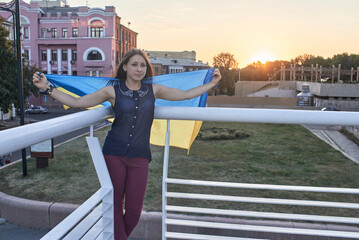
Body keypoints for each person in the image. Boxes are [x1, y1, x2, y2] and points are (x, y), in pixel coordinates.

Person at [32, 48, 221, 240]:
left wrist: (211, 83)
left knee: (133, 212)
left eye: (142, 65)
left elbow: (187, 94)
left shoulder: (154, 90)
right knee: (114, 205)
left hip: (140, 157)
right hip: (113, 154)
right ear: (124, 67)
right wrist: (47, 87)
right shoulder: (111, 91)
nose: (139, 69)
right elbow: (77, 102)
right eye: (134, 64)